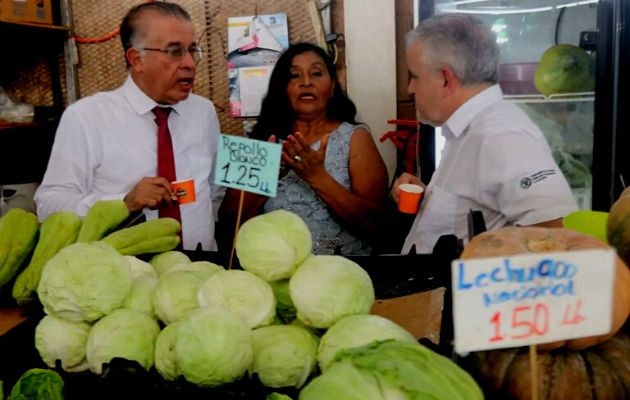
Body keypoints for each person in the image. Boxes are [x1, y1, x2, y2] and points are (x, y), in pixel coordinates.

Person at [34, 2, 224, 251]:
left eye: (192, 50)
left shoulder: (204, 112)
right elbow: (47, 205)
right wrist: (124, 202)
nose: (189, 63)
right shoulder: (86, 117)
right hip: (127, 274)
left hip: (201, 268)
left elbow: (214, 190)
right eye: (174, 52)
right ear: (137, 59)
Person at [393, 14, 577, 254]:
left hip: (463, 289)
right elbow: (477, 203)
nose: (410, 88)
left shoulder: (503, 136)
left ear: (446, 79)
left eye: (415, 76)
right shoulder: (467, 126)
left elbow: (555, 237)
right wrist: (428, 198)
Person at [218, 43, 389, 255]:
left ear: (333, 86)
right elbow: (227, 227)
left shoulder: (357, 137)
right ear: (281, 88)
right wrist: (268, 176)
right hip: (274, 271)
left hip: (343, 271)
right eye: (294, 75)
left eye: (316, 73)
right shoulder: (260, 141)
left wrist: (317, 177)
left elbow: (378, 227)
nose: (306, 82)